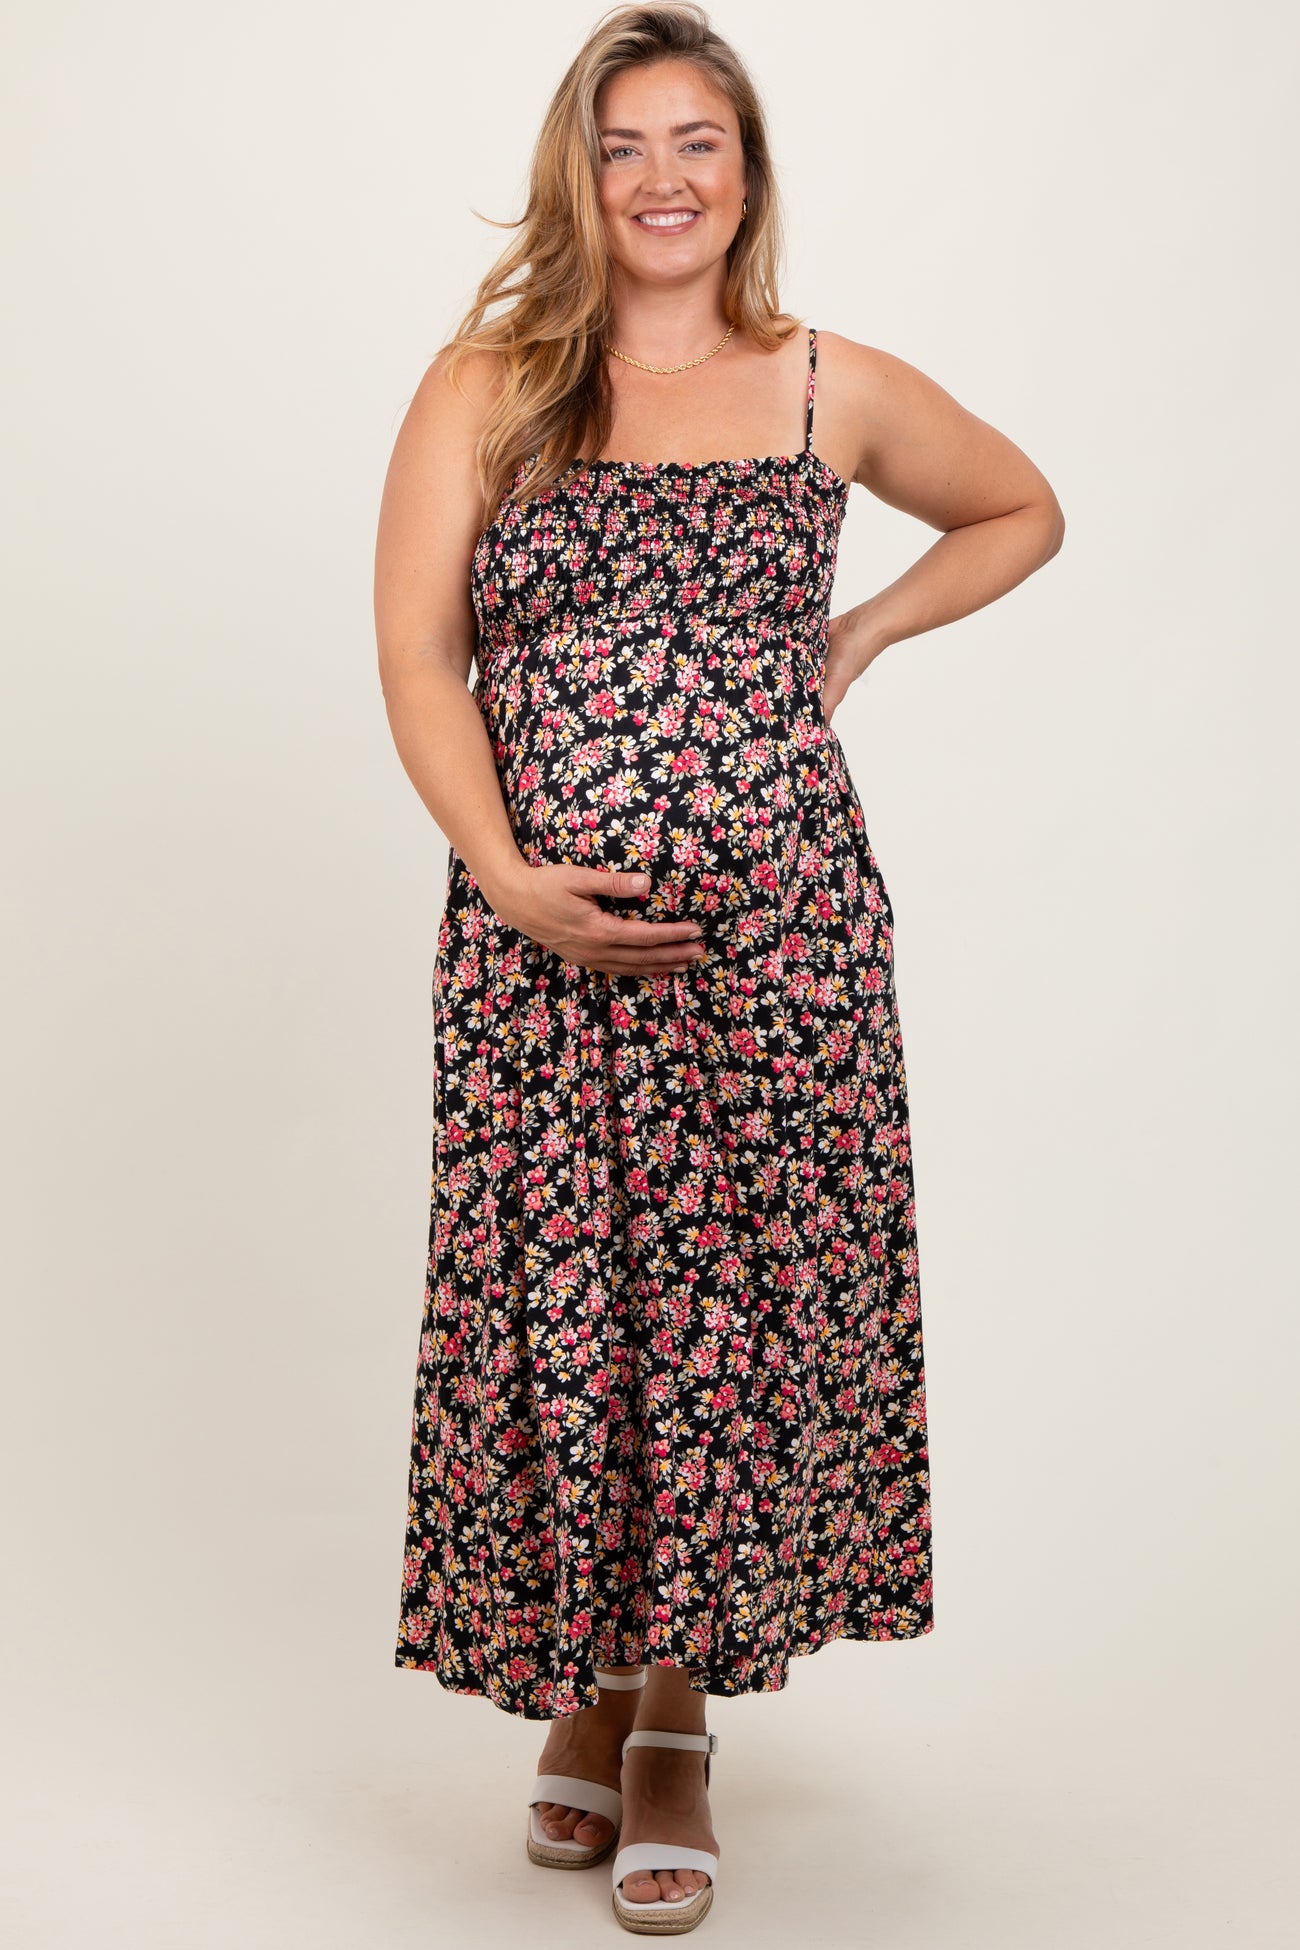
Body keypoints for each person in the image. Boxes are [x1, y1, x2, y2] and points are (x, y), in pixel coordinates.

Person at [373, 3, 1064, 1934]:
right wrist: (507, 873)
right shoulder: (491, 383)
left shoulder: (826, 382)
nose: (662, 178)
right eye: (625, 145)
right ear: (576, 174)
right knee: (566, 1310)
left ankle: (670, 1718)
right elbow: (420, 655)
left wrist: (862, 633)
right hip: (539, 959)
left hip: (783, 959)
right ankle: (585, 1680)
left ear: (747, 173)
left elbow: (1025, 506)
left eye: (699, 141)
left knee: (725, 1326)